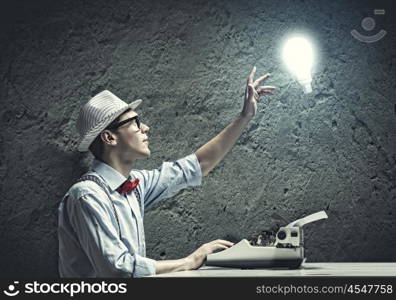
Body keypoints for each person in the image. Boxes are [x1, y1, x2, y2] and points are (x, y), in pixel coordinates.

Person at [58, 67, 276, 277]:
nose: (145, 128)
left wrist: (244, 117)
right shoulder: (87, 196)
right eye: (135, 122)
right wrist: (189, 261)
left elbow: (198, 165)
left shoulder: (136, 183)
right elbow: (118, 270)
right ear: (109, 137)